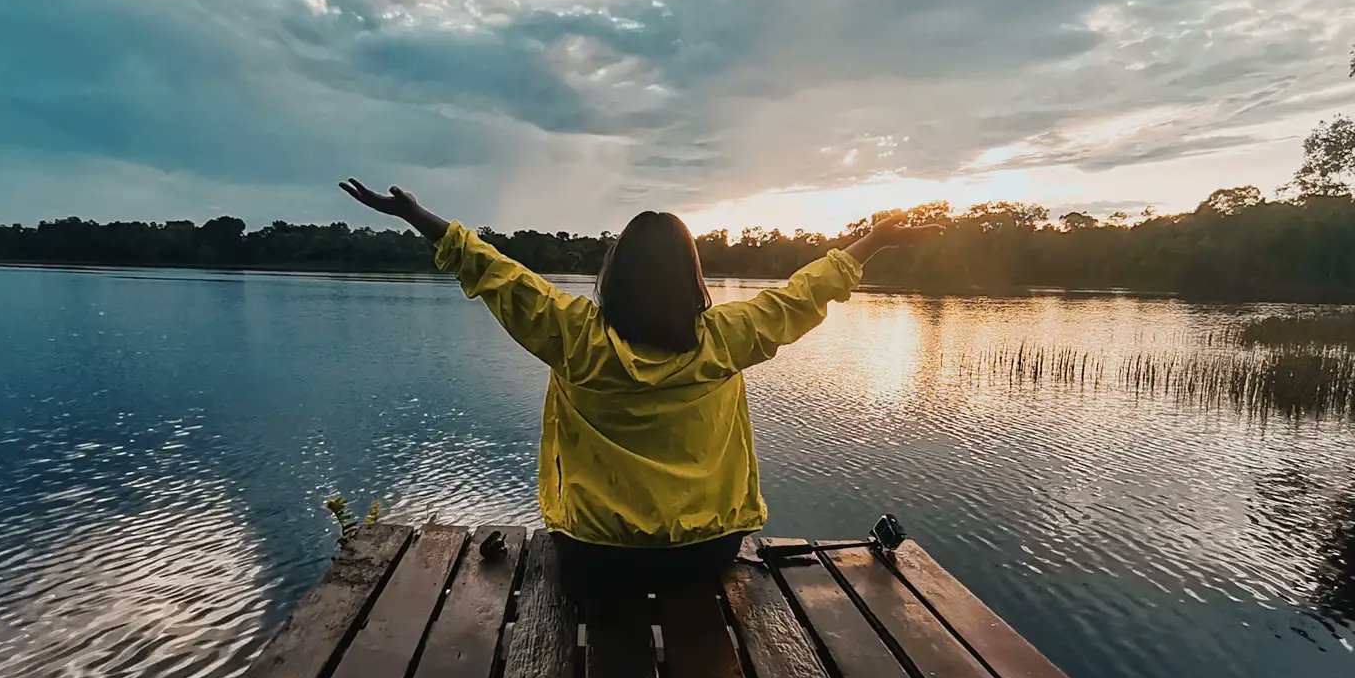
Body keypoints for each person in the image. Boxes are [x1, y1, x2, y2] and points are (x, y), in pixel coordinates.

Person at [339, 179, 942, 586]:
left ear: (614, 274)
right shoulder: (725, 338)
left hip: (594, 554)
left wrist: (416, 215)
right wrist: (878, 240)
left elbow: (497, 273)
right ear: (692, 276)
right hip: (705, 554)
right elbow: (805, 292)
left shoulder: (574, 336)